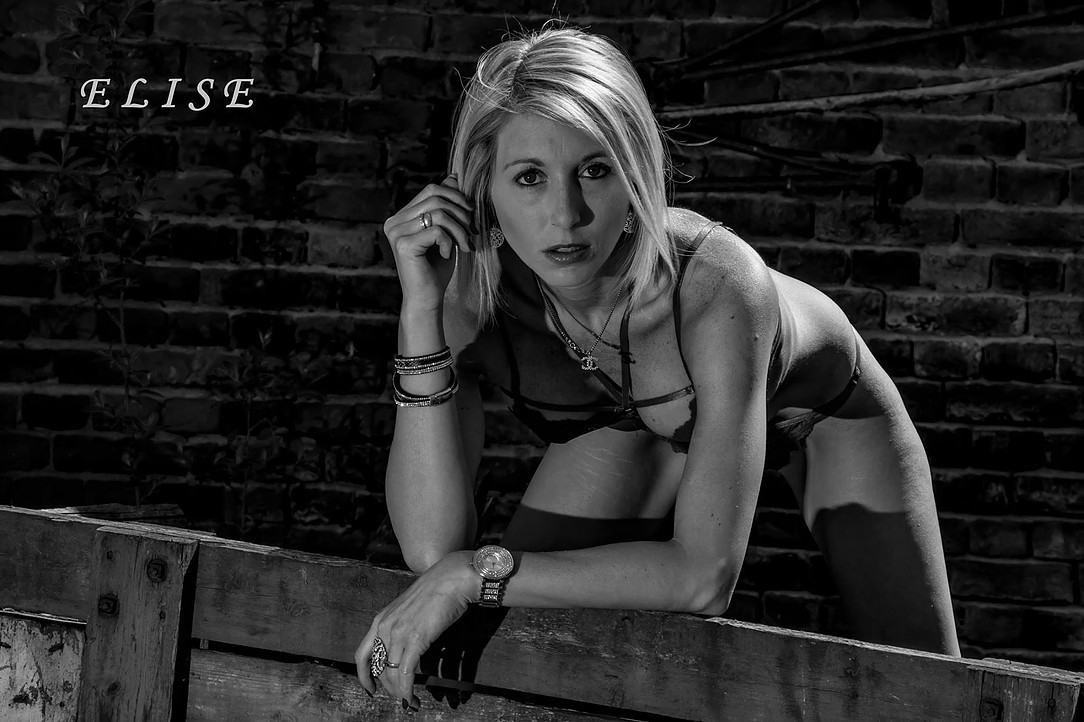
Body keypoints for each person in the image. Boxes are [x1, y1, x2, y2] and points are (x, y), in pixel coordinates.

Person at [354, 23, 960, 708]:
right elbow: (431, 547)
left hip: (822, 416)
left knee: (927, 692)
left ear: (635, 171)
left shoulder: (716, 284)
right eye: (529, 177)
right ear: (482, 186)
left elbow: (704, 579)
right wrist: (419, 312)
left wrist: (474, 572)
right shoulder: (467, 291)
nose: (566, 215)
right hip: (630, 426)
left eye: (595, 170)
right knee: (497, 642)